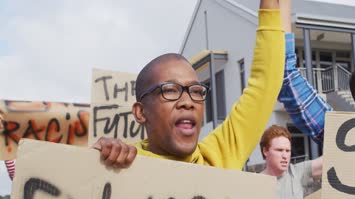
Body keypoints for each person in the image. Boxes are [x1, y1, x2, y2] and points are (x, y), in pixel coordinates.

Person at [93, 0, 284, 170]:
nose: (188, 102)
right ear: (141, 113)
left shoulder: (217, 159)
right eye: (170, 90)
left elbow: (265, 84)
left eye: (196, 91)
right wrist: (93, 161)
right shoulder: (121, 164)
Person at [260, 125, 322, 199]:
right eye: (279, 150)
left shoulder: (297, 172)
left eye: (288, 151)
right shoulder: (254, 183)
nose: (285, 156)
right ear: (265, 151)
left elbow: (328, 162)